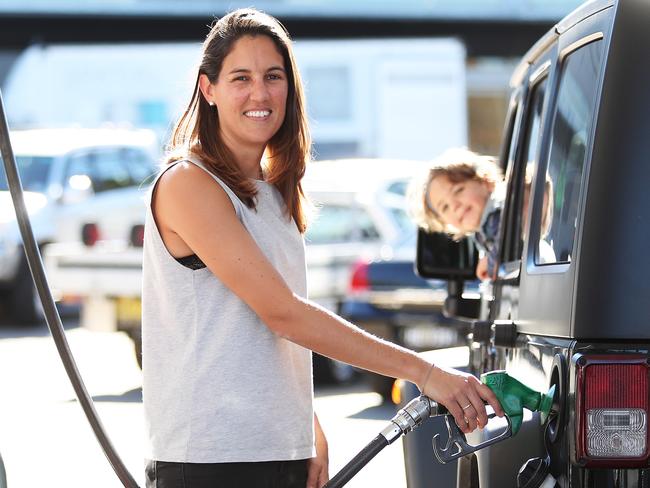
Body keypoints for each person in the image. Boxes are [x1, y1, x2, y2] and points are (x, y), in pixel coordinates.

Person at [141, 9, 503, 488]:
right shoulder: (189, 183)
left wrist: (305, 426)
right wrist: (427, 372)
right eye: (240, 78)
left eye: (273, 76)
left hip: (276, 446)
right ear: (208, 90)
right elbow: (283, 313)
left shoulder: (273, 194)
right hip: (213, 457)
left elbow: (271, 336)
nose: (260, 93)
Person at [409, 148, 504, 281]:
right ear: (445, 223)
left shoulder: (496, 214)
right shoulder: (481, 232)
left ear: (486, 182)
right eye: (445, 207)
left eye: (458, 190)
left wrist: (491, 263)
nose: (455, 206)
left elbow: (506, 240)